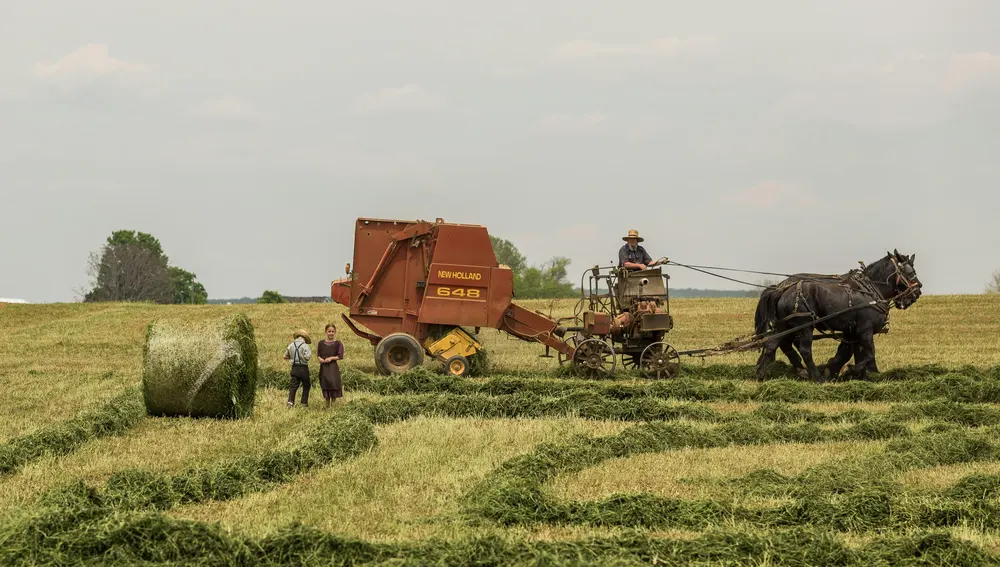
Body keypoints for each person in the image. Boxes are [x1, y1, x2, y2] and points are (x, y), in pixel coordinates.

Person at [317, 323, 345, 407]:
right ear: (326, 332)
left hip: (332, 367)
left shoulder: (338, 343)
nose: (331, 333)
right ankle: (327, 404)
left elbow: (340, 356)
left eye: (333, 331)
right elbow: (318, 354)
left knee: (333, 383)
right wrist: (320, 359)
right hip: (324, 367)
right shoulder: (321, 343)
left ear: (335, 332)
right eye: (329, 331)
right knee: (325, 383)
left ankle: (333, 404)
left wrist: (331, 358)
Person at [284, 329, 312, 408]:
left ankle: (290, 402)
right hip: (303, 368)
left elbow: (285, 356)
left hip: (295, 367)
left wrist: (292, 357)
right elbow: (307, 357)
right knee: (306, 385)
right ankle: (304, 403)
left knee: (293, 386)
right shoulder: (305, 346)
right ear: (305, 338)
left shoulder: (291, 345)